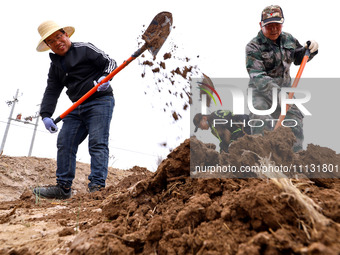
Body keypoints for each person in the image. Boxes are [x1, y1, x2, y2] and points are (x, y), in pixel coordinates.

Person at [33, 21, 117, 199]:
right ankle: (63, 188)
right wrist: (46, 115)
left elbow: (110, 62)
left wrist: (104, 78)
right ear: (48, 45)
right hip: (77, 105)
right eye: (51, 41)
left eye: (59, 36)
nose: (57, 42)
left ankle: (97, 188)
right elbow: (52, 90)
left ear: (66, 35)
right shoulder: (55, 66)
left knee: (97, 142)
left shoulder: (84, 49)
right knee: (65, 142)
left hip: (100, 101)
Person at [246, 5, 318, 152]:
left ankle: (295, 158)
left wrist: (310, 51)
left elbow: (299, 57)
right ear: (261, 25)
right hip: (261, 93)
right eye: (269, 26)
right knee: (260, 118)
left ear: (282, 24)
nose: (274, 29)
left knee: (295, 120)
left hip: (286, 92)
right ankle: (259, 157)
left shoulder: (288, 39)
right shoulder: (253, 47)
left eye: (277, 25)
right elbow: (258, 76)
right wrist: (279, 94)